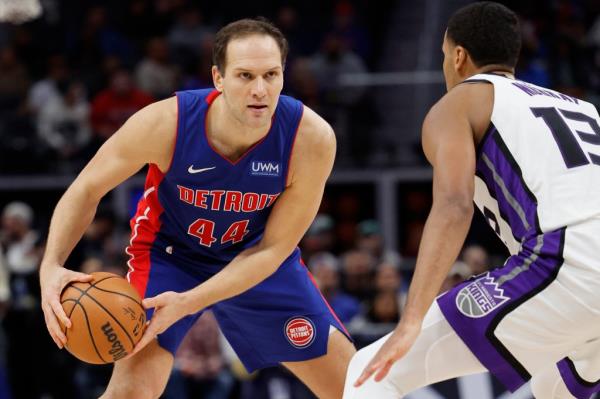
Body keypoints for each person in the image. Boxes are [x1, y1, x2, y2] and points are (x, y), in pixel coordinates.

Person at [39, 18, 355, 399]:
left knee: (354, 389)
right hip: (171, 255)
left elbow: (274, 250)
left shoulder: (311, 139)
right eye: (245, 75)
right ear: (218, 78)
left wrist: (192, 301)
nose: (260, 90)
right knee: (131, 393)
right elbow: (87, 188)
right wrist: (51, 266)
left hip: (253, 258)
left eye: (271, 75)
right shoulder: (166, 122)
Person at [344, 2, 600, 399]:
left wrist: (411, 319)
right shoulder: (583, 109)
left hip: (569, 265)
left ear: (458, 56)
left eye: (444, 55)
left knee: (372, 369)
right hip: (582, 279)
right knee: (555, 387)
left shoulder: (461, 102)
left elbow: (454, 206)